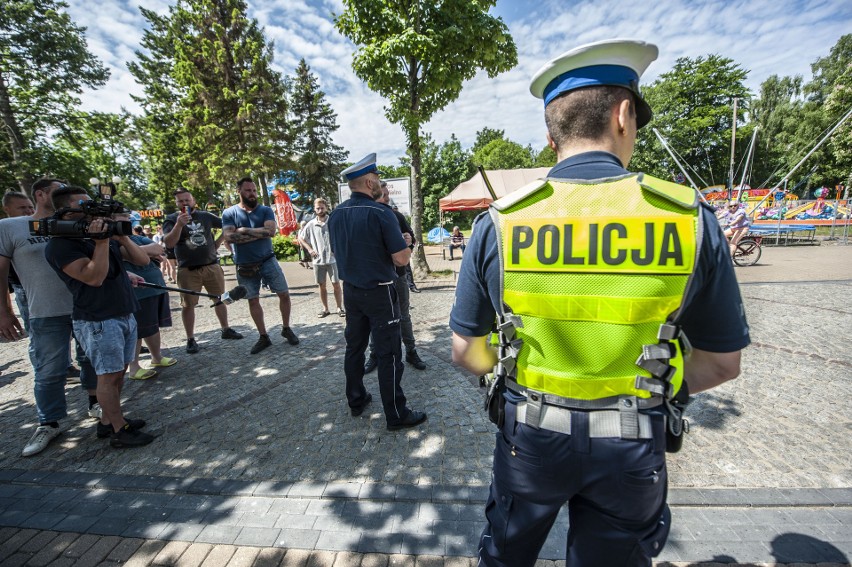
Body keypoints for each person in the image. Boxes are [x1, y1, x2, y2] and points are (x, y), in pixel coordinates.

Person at [449, 39, 750, 566]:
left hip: (531, 439)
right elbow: (722, 361)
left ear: (550, 135)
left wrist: (511, 384)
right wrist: (661, 387)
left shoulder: (499, 222)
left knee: (504, 556)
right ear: (623, 113)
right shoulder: (685, 218)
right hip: (632, 445)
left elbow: (466, 353)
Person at [44, 185, 154, 448]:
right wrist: (102, 242)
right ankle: (119, 430)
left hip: (122, 311)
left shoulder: (96, 235)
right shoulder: (60, 245)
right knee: (107, 375)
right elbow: (94, 277)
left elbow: (143, 261)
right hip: (97, 318)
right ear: (64, 210)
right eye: (83, 205)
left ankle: (108, 421)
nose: (91, 210)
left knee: (118, 373)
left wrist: (122, 237)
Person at [327, 153, 427, 431]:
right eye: (379, 180)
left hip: (352, 291)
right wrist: (405, 244)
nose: (381, 184)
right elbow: (402, 259)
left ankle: (356, 400)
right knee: (389, 353)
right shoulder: (381, 213)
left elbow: (339, 252)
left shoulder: (335, 214)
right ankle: (396, 414)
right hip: (380, 292)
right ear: (370, 182)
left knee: (354, 347)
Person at [0, 179, 99, 456]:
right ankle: (49, 422)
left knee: (91, 359)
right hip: (44, 311)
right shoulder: (10, 227)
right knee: (49, 370)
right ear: (40, 194)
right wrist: (4, 313)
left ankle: (96, 403)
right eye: (57, 191)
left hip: (86, 306)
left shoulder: (79, 223)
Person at [222, 177, 300, 354]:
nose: (252, 194)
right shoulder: (229, 213)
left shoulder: (264, 210)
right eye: (248, 190)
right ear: (239, 192)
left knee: (284, 294)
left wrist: (244, 231)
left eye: (254, 190)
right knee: (253, 299)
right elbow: (229, 237)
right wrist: (258, 233)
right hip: (245, 265)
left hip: (267, 260)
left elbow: (271, 231)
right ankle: (263, 336)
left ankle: (286, 328)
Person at [162, 188, 243, 354]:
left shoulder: (205, 216)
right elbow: (169, 243)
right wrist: (179, 224)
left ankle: (225, 329)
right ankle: (190, 339)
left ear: (193, 200)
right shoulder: (171, 220)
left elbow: (229, 226)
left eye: (187, 200)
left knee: (220, 299)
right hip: (188, 269)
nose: (185, 203)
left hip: (211, 265)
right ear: (176, 203)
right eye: (181, 201)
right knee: (188, 305)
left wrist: (219, 241)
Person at [364, 181, 427, 373]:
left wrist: (408, 242)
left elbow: (412, 239)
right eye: (382, 195)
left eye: (387, 195)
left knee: (403, 316)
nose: (386, 198)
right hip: (376, 277)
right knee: (376, 318)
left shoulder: (396, 216)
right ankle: (374, 354)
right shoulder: (368, 217)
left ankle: (410, 351)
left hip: (398, 275)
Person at [116, 212, 177, 380]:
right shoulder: (115, 242)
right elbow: (133, 257)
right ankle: (134, 367)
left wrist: (143, 251)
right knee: (137, 331)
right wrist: (145, 253)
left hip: (155, 288)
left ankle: (156, 357)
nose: (128, 220)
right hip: (138, 292)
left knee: (153, 326)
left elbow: (159, 249)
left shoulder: (134, 238)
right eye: (122, 217)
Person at [300, 197, 344, 318]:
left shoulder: (332, 222)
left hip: (332, 259)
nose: (320, 210)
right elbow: (301, 238)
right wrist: (309, 249)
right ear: (314, 209)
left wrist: (338, 250)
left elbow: (342, 236)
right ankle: (325, 308)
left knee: (336, 283)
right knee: (321, 284)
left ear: (326, 208)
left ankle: (340, 307)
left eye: (322, 207)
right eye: (317, 208)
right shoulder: (311, 224)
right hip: (318, 260)